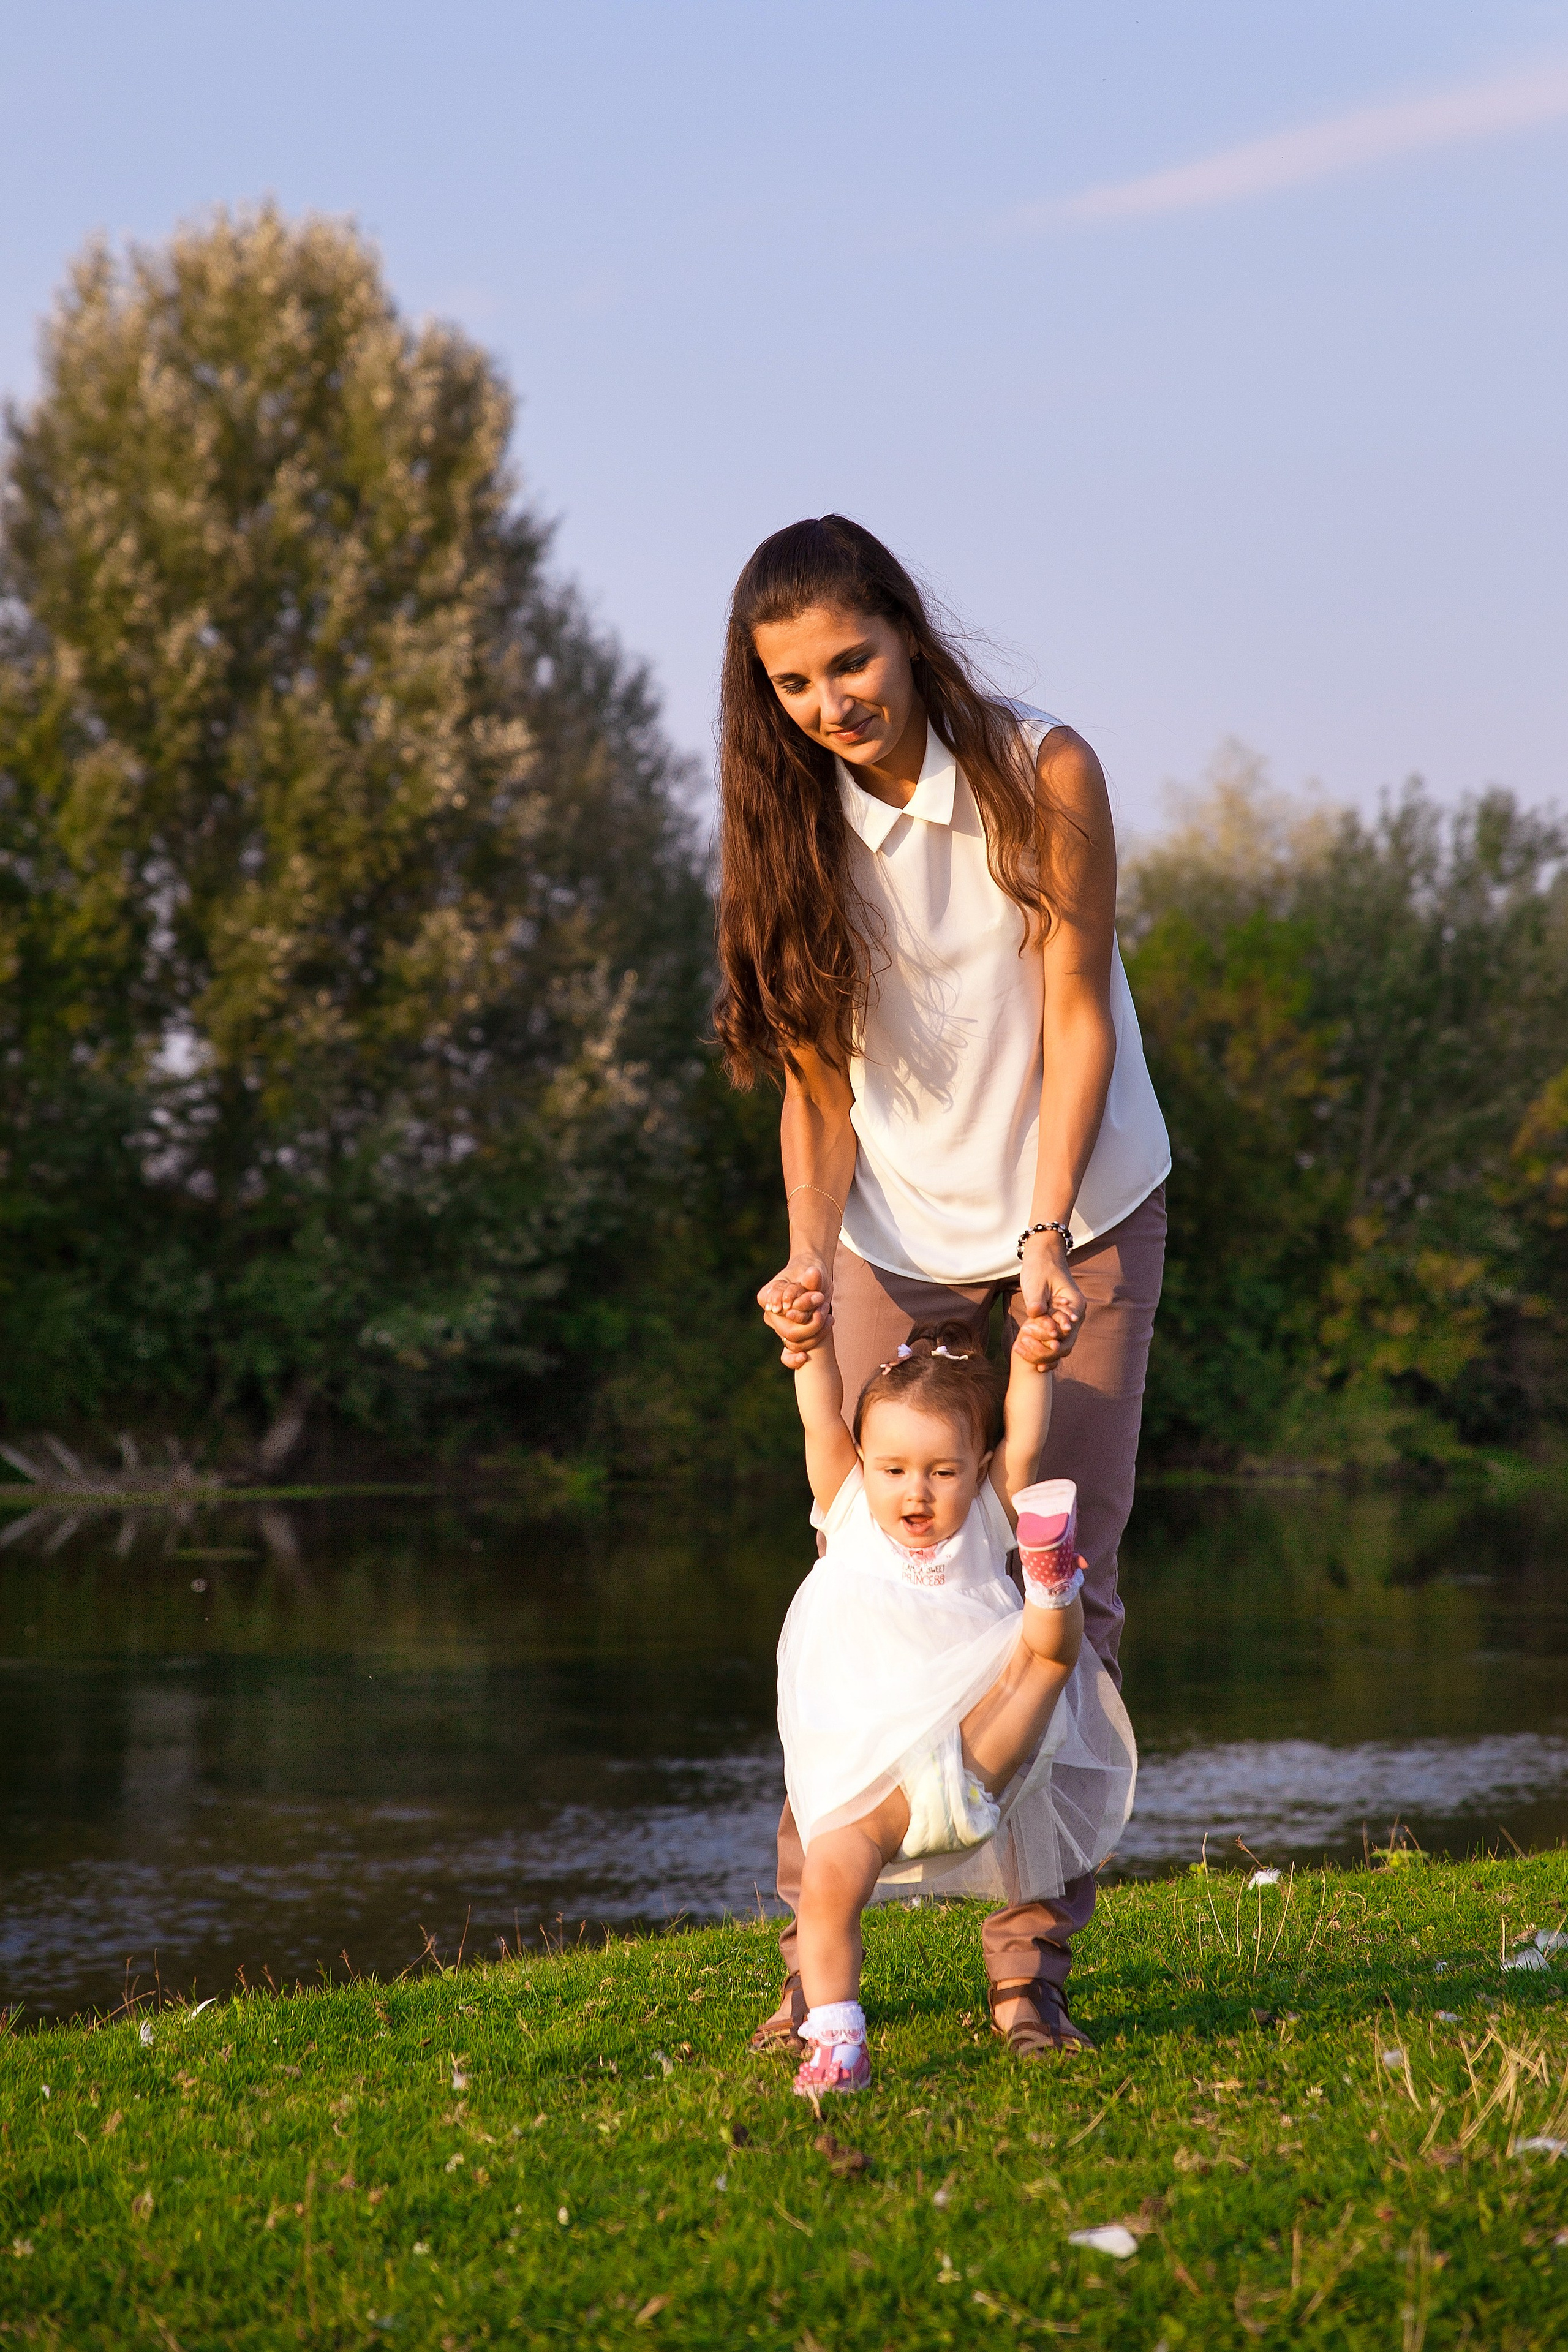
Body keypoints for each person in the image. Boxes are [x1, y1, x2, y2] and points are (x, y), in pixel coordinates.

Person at [714, 514, 1169, 2057]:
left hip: (1076, 1205)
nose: (828, 702)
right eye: (791, 684)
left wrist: (1042, 1232)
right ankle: (816, 1960)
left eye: (849, 661)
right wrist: (804, 1249)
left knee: (1055, 1572)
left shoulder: (1040, 773)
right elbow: (813, 1087)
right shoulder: (789, 822)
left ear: (904, 632)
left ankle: (1026, 1970)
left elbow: (1075, 1007)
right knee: (854, 1569)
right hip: (889, 1229)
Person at [778, 1316, 1135, 2096]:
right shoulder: (846, 1509)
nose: (915, 1491)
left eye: (943, 1471)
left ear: (977, 1470)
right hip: (872, 1792)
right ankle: (837, 2038)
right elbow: (819, 1416)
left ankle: (1050, 1578)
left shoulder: (982, 1517)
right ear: (862, 1462)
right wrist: (809, 1350)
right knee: (828, 1885)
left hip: (972, 1752)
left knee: (1046, 1657)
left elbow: (1025, 1440)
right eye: (893, 1469)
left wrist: (1032, 1362)